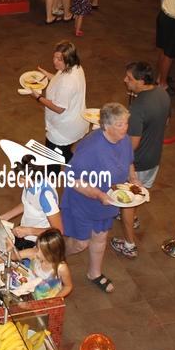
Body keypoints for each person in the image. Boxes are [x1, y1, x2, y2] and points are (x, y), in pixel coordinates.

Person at [61, 102, 139, 294]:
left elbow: (129, 162)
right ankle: (56, 258)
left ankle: (94, 273)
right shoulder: (91, 148)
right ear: (106, 125)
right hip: (83, 202)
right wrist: (98, 194)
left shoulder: (124, 140)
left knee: (100, 237)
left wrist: (134, 179)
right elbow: (70, 178)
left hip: (107, 201)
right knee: (80, 243)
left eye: (126, 123)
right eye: (120, 124)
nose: (125, 128)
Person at [113, 61, 170, 258]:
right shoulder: (163, 94)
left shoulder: (138, 107)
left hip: (137, 164)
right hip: (154, 159)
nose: (125, 80)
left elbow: (132, 144)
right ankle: (133, 216)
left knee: (127, 203)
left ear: (142, 81)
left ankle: (129, 244)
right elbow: (166, 122)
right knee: (138, 194)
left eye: (129, 78)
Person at [0, 228, 73, 300]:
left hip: (47, 298)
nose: (36, 252)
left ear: (52, 253)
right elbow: (8, 256)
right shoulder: (33, 253)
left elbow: (68, 286)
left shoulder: (61, 268)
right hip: (29, 291)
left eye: (41, 251)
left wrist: (54, 300)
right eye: (37, 247)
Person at [33, 40, 88, 162]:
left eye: (59, 59)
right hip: (74, 122)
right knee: (64, 154)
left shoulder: (68, 82)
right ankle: (78, 168)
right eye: (54, 57)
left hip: (63, 130)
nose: (54, 61)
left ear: (69, 60)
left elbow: (58, 108)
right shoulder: (76, 67)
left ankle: (75, 169)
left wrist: (38, 97)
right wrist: (46, 74)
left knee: (53, 161)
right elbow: (59, 80)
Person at [0, 154, 64, 249]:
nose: (18, 181)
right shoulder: (30, 184)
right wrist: (5, 217)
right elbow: (27, 203)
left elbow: (58, 231)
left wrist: (28, 231)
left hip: (36, 241)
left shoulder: (45, 196)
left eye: (22, 178)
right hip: (25, 229)